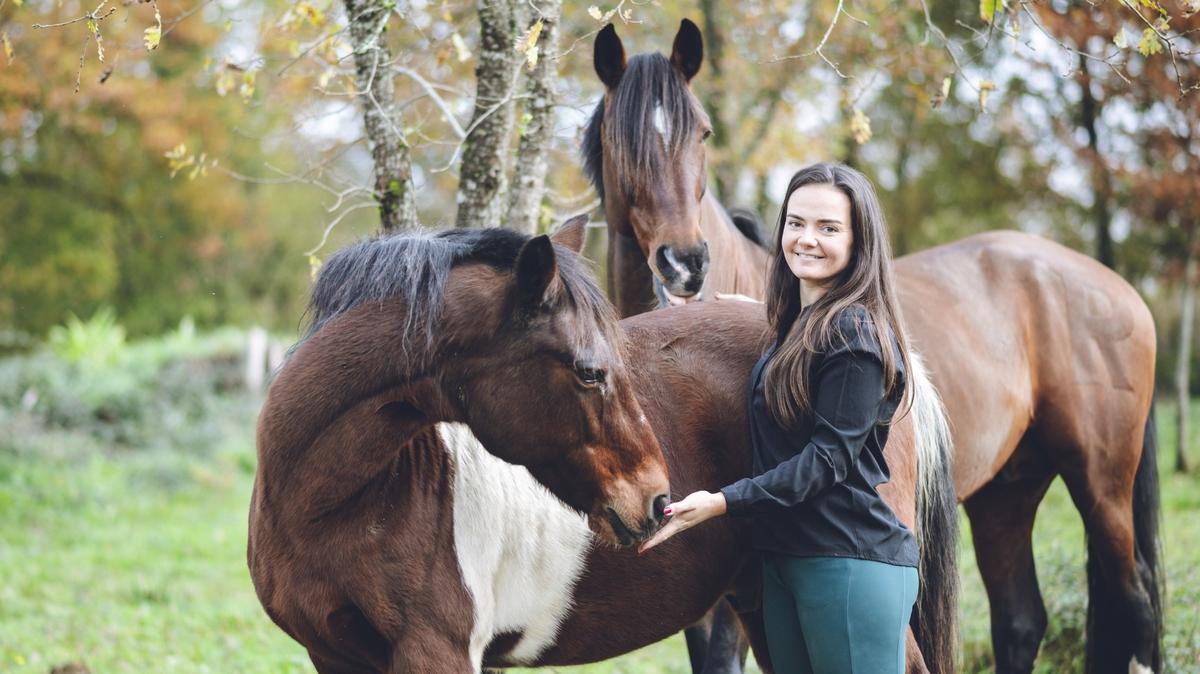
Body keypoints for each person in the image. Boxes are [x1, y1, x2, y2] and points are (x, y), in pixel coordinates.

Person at [638, 162, 919, 673]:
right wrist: (760, 312)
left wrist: (724, 501)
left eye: (828, 228)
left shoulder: (854, 335)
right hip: (788, 563)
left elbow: (827, 462)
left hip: (848, 563)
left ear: (860, 241)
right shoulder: (800, 326)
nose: (806, 239)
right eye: (795, 222)